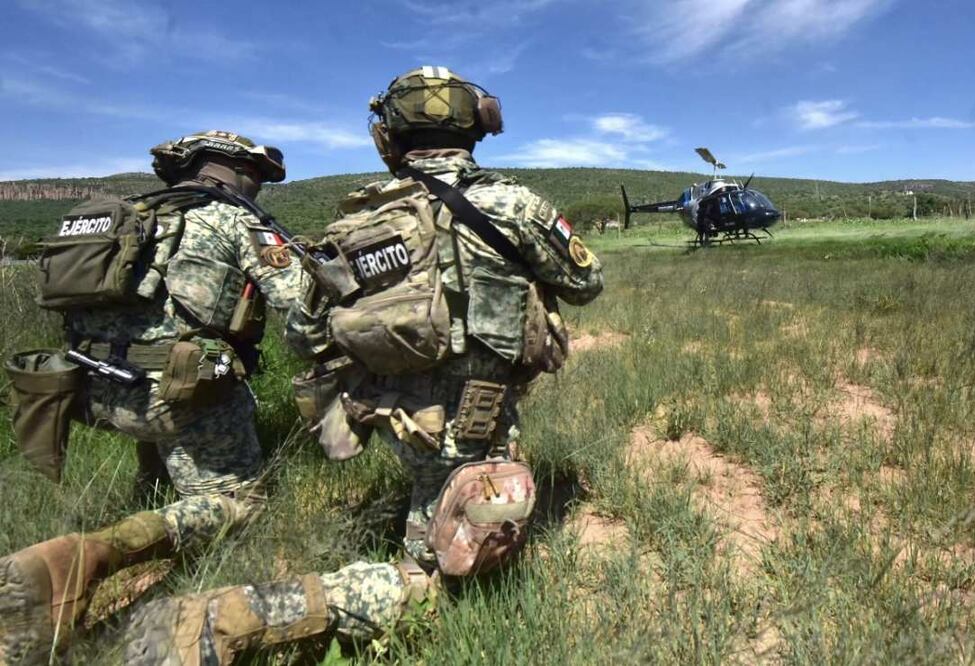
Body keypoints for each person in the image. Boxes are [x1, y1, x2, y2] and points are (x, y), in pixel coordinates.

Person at [121, 67, 604, 665]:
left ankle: (118, 546)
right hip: (472, 422)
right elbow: (586, 282)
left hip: (387, 414)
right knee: (446, 578)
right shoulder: (513, 203)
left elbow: (304, 334)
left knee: (434, 496)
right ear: (476, 128)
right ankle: (229, 618)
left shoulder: (355, 220)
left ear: (388, 137)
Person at [0, 131, 307, 664]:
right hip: (181, 395)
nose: (257, 186)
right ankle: (92, 552)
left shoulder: (127, 215)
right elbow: (301, 303)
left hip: (94, 390)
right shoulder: (235, 220)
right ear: (235, 171)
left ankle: (153, 488)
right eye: (255, 176)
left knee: (160, 431)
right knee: (243, 506)